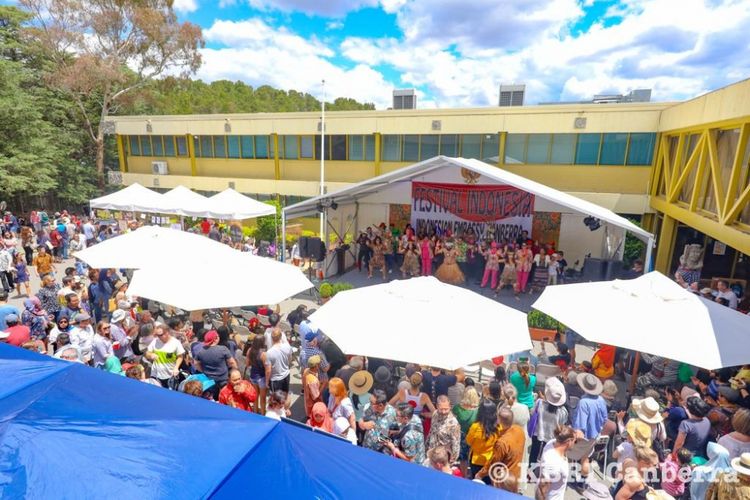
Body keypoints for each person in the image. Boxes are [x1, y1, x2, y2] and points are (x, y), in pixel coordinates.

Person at [572, 373, 608, 486]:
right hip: (595, 435)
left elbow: (580, 425)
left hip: (584, 436)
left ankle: (566, 477)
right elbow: (605, 418)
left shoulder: (583, 402)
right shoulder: (601, 400)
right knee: (585, 458)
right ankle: (582, 482)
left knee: (566, 454)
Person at [476, 408, 526, 487]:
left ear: (499, 421)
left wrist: (480, 474)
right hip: (516, 475)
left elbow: (494, 463)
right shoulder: (519, 430)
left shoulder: (502, 443)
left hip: (504, 480)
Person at [530, 377, 570, 463]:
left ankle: (530, 469)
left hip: (538, 432)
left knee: (534, 452)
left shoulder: (539, 403)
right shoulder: (563, 411)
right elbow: (562, 423)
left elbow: (532, 412)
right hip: (552, 436)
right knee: (546, 455)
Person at [536, 425, 577, 500]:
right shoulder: (553, 464)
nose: (575, 444)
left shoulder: (553, 443)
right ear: (568, 442)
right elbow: (542, 490)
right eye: (575, 441)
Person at [466, 399, 502, 482]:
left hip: (476, 460)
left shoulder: (475, 427)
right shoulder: (498, 427)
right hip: (490, 461)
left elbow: (468, 441)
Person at [194, 330, 237, 394]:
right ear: (215, 339)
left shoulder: (201, 351)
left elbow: (196, 364)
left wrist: (203, 371)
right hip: (223, 380)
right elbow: (232, 363)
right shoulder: (223, 349)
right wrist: (235, 370)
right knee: (223, 397)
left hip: (209, 380)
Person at [427, 395, 461, 464]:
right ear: (437, 406)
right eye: (441, 409)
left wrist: (452, 460)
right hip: (432, 453)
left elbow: (456, 443)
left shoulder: (453, 423)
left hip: (443, 458)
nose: (443, 412)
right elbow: (431, 431)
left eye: (446, 409)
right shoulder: (435, 414)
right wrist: (427, 445)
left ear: (450, 407)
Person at [246, 335, 268, 414]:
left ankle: (255, 412)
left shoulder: (249, 350)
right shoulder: (263, 354)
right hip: (262, 377)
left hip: (253, 376)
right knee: (263, 398)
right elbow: (267, 369)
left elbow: (247, 364)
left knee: (255, 396)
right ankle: (262, 414)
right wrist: (268, 380)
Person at [266, 329, 293, 393]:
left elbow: (268, 370)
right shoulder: (287, 347)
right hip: (286, 375)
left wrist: (267, 381)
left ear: (272, 338)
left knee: (276, 401)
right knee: (285, 397)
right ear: (281, 337)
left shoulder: (269, 353)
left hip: (275, 380)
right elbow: (290, 359)